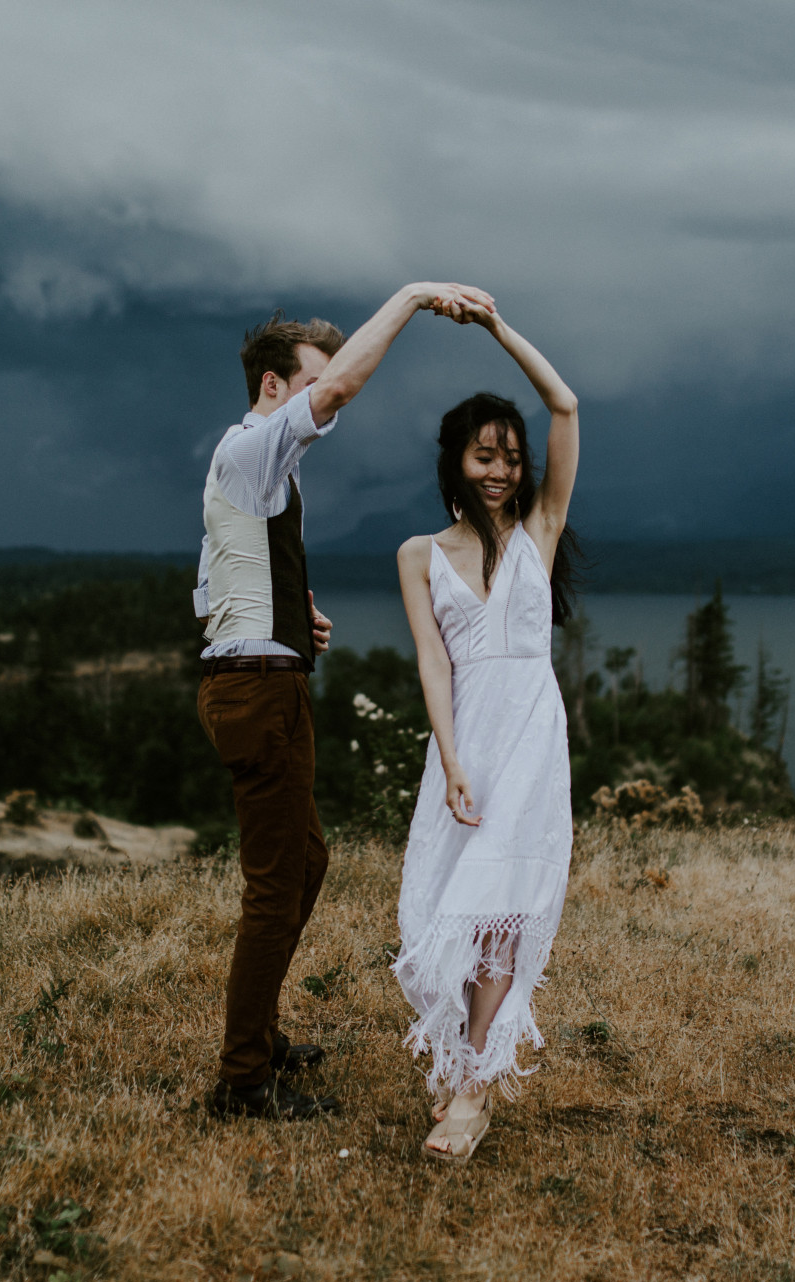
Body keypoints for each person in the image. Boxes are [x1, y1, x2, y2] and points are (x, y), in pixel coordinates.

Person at [195, 282, 495, 1120]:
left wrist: (294, 618)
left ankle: (259, 1036)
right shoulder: (252, 446)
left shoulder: (258, 472)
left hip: (265, 677)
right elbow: (341, 388)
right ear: (272, 386)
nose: (329, 405)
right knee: (274, 885)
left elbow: (212, 585)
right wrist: (410, 298)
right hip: (258, 694)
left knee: (307, 865)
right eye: (313, 383)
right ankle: (242, 1079)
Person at [392, 302, 580, 1161]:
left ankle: (472, 1091)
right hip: (465, 747)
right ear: (455, 462)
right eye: (484, 454)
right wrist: (451, 757)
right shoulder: (418, 555)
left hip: (532, 743)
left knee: (499, 915)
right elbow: (434, 663)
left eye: (510, 455)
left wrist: (498, 327)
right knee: (450, 915)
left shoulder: (540, 532)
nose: (501, 469)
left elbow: (567, 405)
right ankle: (468, 1060)